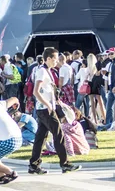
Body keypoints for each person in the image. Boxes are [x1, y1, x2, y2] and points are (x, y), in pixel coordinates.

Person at [28, 47, 81, 175]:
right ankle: (65, 163)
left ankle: (34, 165)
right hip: (45, 109)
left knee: (41, 136)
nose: (56, 62)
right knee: (58, 134)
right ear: (48, 58)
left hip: (44, 108)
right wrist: (48, 104)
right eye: (55, 59)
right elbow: (36, 91)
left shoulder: (47, 71)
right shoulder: (42, 71)